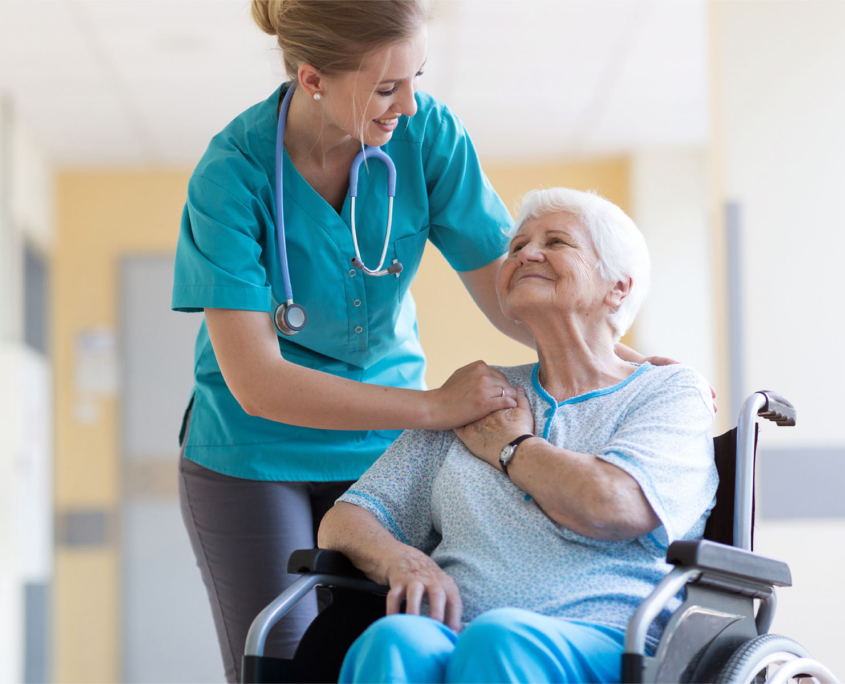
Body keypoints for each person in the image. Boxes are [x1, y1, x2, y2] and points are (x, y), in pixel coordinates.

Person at [172, 2, 670, 681]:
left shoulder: (427, 134)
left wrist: (631, 364)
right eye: (384, 88)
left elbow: (512, 290)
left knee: (397, 635)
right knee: (283, 657)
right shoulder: (232, 174)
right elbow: (258, 384)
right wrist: (436, 407)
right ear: (313, 78)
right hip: (251, 450)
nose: (407, 104)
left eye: (415, 79)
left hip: (382, 444)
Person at [318, 187, 718, 684]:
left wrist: (513, 449)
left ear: (617, 288)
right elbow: (348, 518)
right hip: (458, 633)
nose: (526, 253)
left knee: (499, 638)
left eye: (556, 242)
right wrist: (404, 561)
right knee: (394, 640)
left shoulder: (668, 392)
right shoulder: (477, 396)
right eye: (517, 246)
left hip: (610, 639)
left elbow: (615, 504)